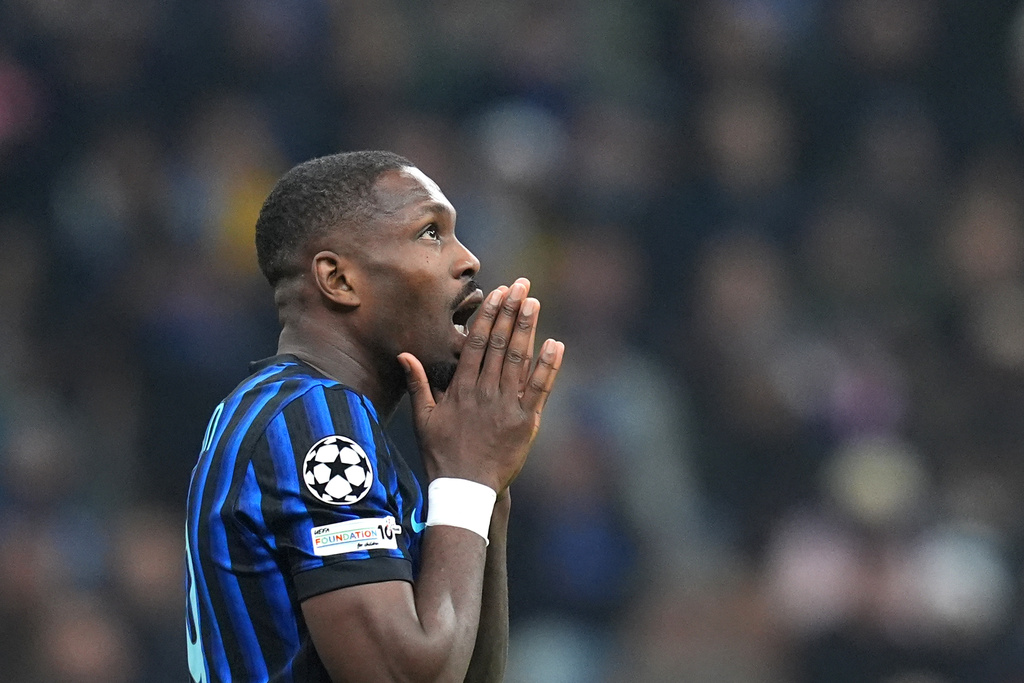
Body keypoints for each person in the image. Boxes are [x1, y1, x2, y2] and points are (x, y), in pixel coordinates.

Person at [184, 150, 565, 682]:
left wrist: (485, 490)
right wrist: (467, 479)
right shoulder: (313, 420)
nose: (468, 260)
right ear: (338, 279)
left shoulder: (291, 413)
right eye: (431, 233)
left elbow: (462, 674)